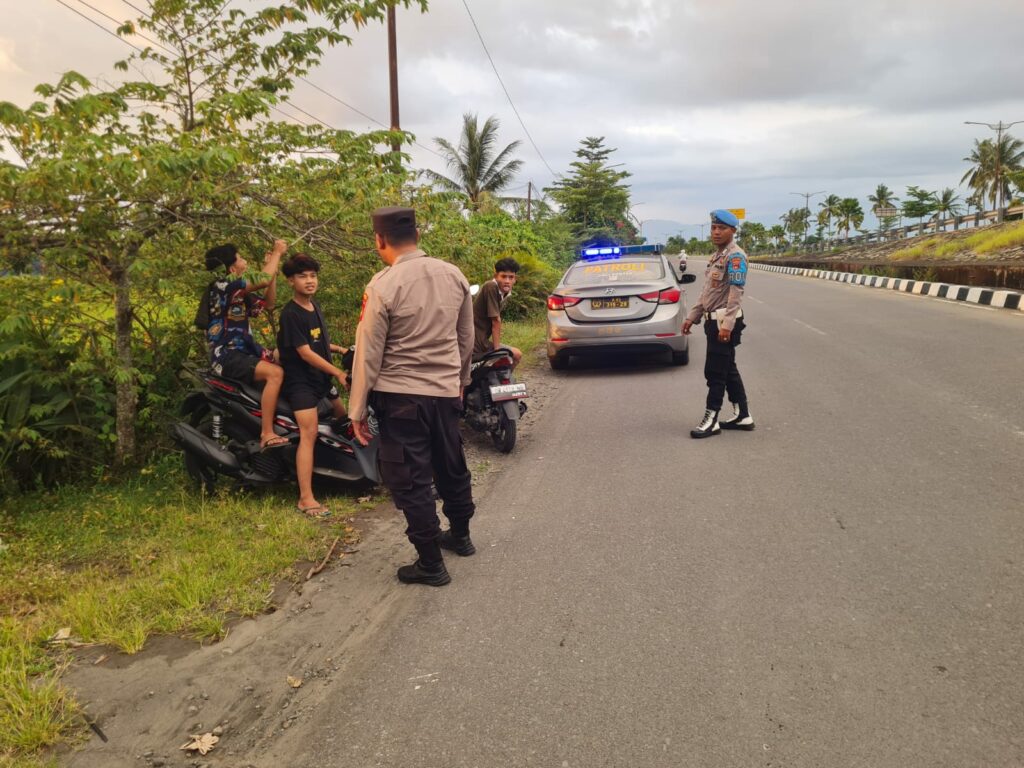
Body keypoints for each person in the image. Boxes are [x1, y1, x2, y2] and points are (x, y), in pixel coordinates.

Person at [349, 206, 476, 587]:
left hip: (401, 397)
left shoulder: (383, 285)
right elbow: (465, 338)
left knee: (411, 479)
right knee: (450, 463)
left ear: (379, 240)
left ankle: (431, 564)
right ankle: (462, 537)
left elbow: (368, 352)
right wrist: (460, 380)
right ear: (417, 235)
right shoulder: (453, 274)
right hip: (444, 393)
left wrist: (356, 409)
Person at [276, 254, 349, 519]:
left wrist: (341, 349)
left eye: (313, 276)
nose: (309, 281)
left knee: (344, 419)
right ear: (290, 281)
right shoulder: (291, 313)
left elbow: (318, 343)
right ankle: (306, 498)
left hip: (320, 379)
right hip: (301, 383)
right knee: (309, 433)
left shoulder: (313, 306)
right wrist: (338, 372)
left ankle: (343, 474)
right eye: (303, 276)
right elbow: (305, 352)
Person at [201, 240, 288, 450]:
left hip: (246, 351)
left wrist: (273, 268)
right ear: (231, 268)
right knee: (275, 374)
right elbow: (263, 279)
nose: (244, 261)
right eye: (240, 258)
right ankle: (267, 433)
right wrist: (277, 253)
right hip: (228, 355)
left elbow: (269, 304)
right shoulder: (222, 287)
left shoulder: (240, 293)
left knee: (288, 355)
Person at [682, 209, 755, 438]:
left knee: (715, 371)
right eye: (713, 228)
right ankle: (743, 414)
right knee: (728, 368)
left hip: (724, 321)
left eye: (721, 228)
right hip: (711, 321)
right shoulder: (717, 256)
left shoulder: (735, 256)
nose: (716, 232)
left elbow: (736, 292)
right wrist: (692, 317)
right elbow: (707, 294)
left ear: (733, 231)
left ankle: (711, 418)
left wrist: (727, 325)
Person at [473, 257, 522, 367]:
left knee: (515, 356)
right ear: (496, 276)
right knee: (516, 354)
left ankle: (502, 383)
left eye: (511, 277)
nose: (507, 281)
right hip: (474, 343)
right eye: (503, 276)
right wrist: (497, 352)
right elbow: (496, 321)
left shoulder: (504, 293)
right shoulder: (490, 286)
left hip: (483, 341)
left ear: (515, 279)